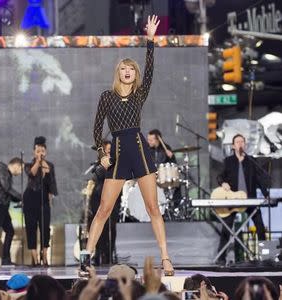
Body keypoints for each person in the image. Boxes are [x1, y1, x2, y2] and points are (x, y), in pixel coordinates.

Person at [88, 15, 174, 276]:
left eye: (132, 69)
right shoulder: (107, 97)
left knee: (153, 208)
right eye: (124, 68)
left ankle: (166, 258)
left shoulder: (140, 94)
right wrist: (103, 153)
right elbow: (96, 130)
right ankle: (86, 259)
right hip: (118, 152)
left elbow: (150, 70)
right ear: (118, 73)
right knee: (103, 209)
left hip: (139, 150)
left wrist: (150, 41)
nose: (128, 72)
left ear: (134, 74)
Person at [216, 134, 269, 265]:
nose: (240, 144)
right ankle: (221, 258)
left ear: (245, 145)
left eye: (242, 141)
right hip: (233, 199)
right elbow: (220, 176)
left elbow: (259, 179)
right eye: (237, 142)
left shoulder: (251, 161)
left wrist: (265, 193)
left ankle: (266, 256)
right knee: (226, 227)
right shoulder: (228, 161)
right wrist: (223, 183)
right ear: (233, 146)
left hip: (250, 199)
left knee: (260, 227)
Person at [23, 136, 58, 266]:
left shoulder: (50, 166)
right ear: (34, 152)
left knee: (45, 229)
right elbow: (32, 173)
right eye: (38, 151)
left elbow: (51, 185)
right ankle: (35, 257)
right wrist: (38, 162)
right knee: (31, 229)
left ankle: (45, 256)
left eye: (42, 151)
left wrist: (49, 201)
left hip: (43, 202)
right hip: (30, 200)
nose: (40, 153)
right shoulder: (28, 165)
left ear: (46, 152)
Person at [88, 140, 121, 265]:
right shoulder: (99, 164)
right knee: (99, 223)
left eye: (110, 150)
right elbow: (97, 175)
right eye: (107, 150)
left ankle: (109, 253)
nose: (109, 152)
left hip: (114, 196)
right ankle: (97, 253)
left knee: (111, 226)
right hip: (99, 196)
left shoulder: (117, 163)